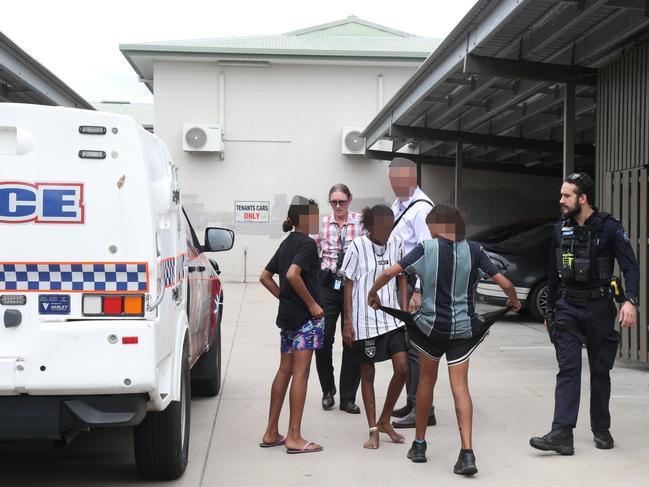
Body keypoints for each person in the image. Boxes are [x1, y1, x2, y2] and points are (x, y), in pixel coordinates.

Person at [368, 204, 522, 475]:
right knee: (460, 387)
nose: (428, 231)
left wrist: (373, 292)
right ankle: (467, 454)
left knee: (426, 381)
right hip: (462, 332)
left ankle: (418, 445)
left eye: (430, 226)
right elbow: (505, 283)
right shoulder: (474, 250)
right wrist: (513, 302)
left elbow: (389, 273)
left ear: (441, 225)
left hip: (431, 331)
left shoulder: (426, 249)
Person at [530, 173, 639, 455]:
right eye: (562, 195)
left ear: (583, 198)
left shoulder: (610, 228)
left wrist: (630, 301)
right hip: (567, 308)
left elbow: (630, 266)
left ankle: (601, 428)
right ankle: (562, 434)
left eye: (566, 195)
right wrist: (549, 310)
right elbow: (553, 271)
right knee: (568, 369)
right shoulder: (559, 230)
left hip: (599, 307)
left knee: (600, 372)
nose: (561, 200)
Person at [258, 196, 324, 454]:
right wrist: (310, 305)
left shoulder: (287, 243)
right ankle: (294, 437)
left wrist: (284, 297)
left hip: (287, 317)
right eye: (315, 216)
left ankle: (271, 432)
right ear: (305, 218)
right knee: (301, 373)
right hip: (306, 321)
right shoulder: (307, 243)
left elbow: (265, 277)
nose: (318, 220)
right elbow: (292, 274)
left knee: (285, 370)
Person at [340, 205, 410, 449]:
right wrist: (347, 322)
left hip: (392, 319)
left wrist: (404, 309)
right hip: (364, 322)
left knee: (403, 368)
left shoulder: (397, 243)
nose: (387, 231)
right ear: (369, 226)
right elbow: (348, 284)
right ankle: (373, 431)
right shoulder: (357, 246)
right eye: (382, 226)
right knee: (367, 373)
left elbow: (402, 276)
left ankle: (385, 420)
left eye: (390, 226)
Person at [387, 156, 436, 429]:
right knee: (407, 344)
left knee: (417, 347)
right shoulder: (399, 205)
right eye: (391, 179)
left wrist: (418, 292)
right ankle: (413, 400)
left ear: (411, 178)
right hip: (401, 283)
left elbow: (429, 253)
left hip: (415, 284)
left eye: (397, 179)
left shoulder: (422, 209)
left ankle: (423, 410)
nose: (393, 184)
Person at [314, 184, 362, 414]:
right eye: (334, 202)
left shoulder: (361, 223)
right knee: (323, 339)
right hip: (329, 286)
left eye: (342, 201)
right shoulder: (322, 224)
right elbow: (313, 253)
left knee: (352, 340)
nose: (338, 206)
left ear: (350, 200)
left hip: (353, 287)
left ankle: (348, 397)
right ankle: (327, 389)